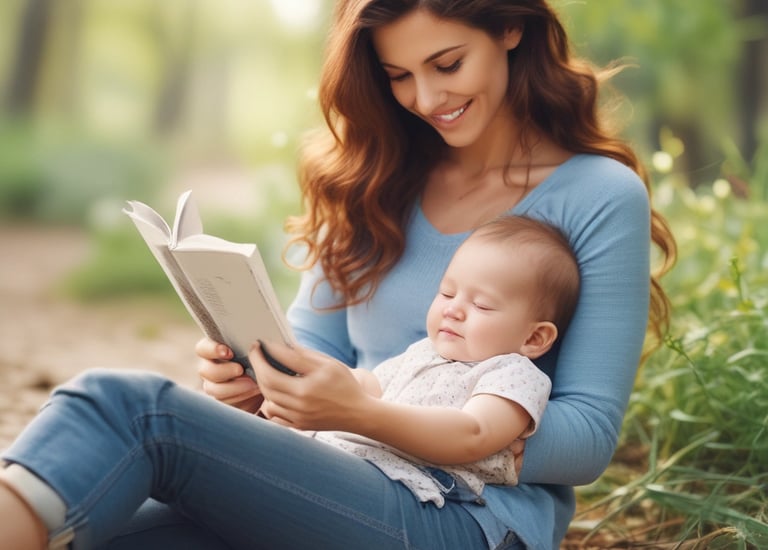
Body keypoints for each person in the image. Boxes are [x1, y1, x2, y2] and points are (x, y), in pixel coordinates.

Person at [0, 1, 676, 549]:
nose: (426, 96)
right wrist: (260, 387)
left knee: (133, 410)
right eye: (398, 75)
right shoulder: (373, 178)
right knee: (95, 513)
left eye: (447, 63)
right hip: (332, 487)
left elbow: (586, 438)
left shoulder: (597, 194)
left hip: (463, 519)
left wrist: (370, 414)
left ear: (509, 27)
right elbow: (315, 359)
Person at [312, 215, 579, 507]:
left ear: (534, 339)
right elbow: (371, 385)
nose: (453, 309)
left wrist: (360, 411)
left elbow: (473, 434)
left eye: (481, 305)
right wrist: (321, 379)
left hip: (416, 491)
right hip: (359, 462)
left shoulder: (513, 374)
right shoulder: (424, 352)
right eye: (447, 292)